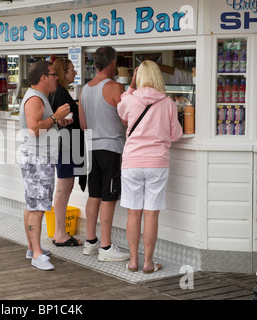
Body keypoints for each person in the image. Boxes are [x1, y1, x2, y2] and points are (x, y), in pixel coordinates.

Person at [117, 60, 182, 273]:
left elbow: (122, 111)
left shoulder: (130, 100)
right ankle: (148, 263)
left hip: (132, 163)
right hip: (157, 163)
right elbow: (175, 135)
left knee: (133, 213)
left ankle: (133, 261)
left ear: (140, 77)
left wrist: (132, 85)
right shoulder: (168, 103)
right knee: (151, 214)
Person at [78, 46, 130, 262]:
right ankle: (106, 247)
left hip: (92, 147)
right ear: (111, 63)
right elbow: (128, 120)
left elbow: (83, 124)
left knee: (94, 194)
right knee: (109, 198)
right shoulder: (114, 87)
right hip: (111, 147)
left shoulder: (85, 89)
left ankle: (91, 242)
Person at [19, 60, 72, 270]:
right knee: (38, 207)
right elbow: (34, 129)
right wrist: (55, 116)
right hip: (37, 159)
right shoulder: (35, 99)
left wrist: (57, 122)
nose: (56, 77)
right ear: (43, 77)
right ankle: (37, 254)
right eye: (53, 74)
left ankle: (33, 248)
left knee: (33, 204)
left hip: (37, 157)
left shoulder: (38, 97)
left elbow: (42, 124)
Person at [50, 58, 84, 247]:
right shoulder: (61, 92)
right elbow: (68, 118)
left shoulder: (58, 92)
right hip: (67, 144)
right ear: (63, 72)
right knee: (64, 188)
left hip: (65, 144)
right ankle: (60, 233)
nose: (75, 73)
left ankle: (59, 231)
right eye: (72, 70)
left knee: (65, 187)